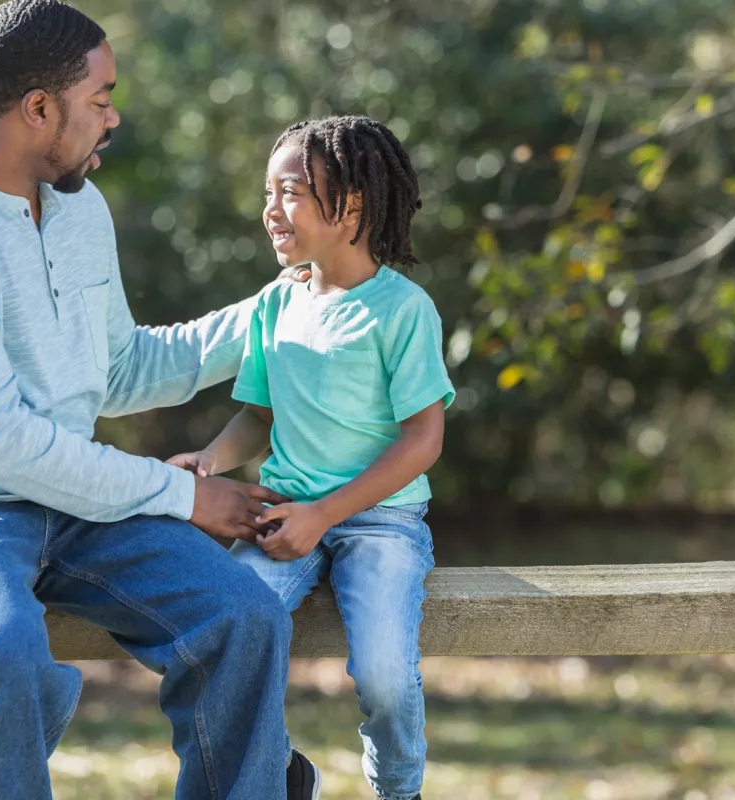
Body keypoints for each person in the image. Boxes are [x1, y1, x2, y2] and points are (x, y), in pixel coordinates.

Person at [0, 1, 304, 797]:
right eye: (100, 99)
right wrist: (183, 496)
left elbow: (119, 368)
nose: (113, 115)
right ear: (38, 108)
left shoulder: (79, 210)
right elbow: (5, 445)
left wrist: (277, 306)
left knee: (245, 617)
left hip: (82, 508)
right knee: (3, 654)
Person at [168, 115, 456, 800]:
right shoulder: (276, 304)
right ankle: (284, 774)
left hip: (381, 522)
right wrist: (210, 462)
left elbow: (423, 441)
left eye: (290, 192)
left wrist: (326, 515)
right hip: (284, 521)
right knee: (226, 643)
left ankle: (399, 791)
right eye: (268, 193)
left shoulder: (402, 311)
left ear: (352, 204)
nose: (271, 211)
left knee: (385, 677)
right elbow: (261, 418)